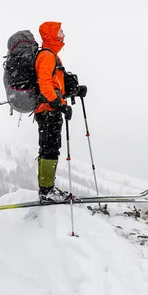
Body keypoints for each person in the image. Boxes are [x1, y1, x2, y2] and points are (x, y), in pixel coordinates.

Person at [34, 21, 87, 203]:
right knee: (50, 149)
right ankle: (47, 191)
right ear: (52, 35)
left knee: (48, 149)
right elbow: (44, 83)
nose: (63, 34)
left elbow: (56, 84)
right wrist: (58, 104)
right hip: (48, 110)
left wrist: (75, 91)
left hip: (49, 109)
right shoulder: (47, 56)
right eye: (60, 31)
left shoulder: (52, 56)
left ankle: (46, 189)